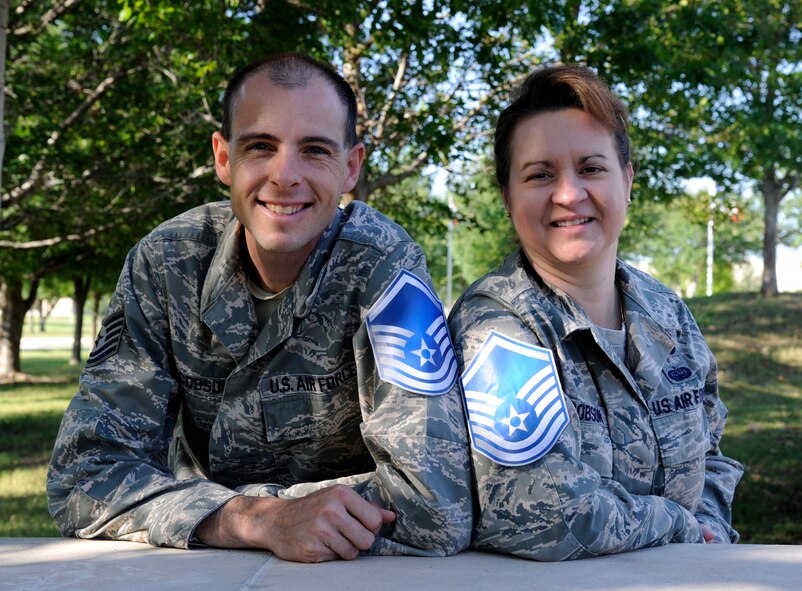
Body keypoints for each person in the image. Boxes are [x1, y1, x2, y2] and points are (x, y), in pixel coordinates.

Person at [47, 53, 472, 563]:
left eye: (314, 150)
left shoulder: (383, 268)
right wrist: (252, 518)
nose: (284, 175)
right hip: (204, 561)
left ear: (351, 166)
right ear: (223, 159)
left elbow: (436, 505)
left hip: (345, 571)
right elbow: (84, 475)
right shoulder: (167, 263)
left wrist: (263, 515)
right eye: (260, 146)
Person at [448, 64, 743, 560]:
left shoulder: (667, 313)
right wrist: (678, 525)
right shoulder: (497, 325)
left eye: (591, 168)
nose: (568, 193)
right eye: (540, 174)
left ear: (627, 181)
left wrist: (708, 529)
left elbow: (712, 450)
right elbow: (540, 513)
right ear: (507, 197)